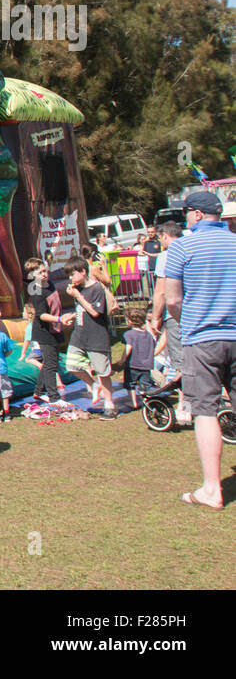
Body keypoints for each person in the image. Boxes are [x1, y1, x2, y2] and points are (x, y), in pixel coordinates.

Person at [164, 191, 236, 510]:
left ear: (194, 214)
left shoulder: (182, 246)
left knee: (204, 410)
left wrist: (188, 321)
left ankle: (211, 489)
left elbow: (172, 300)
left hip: (201, 338)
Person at [61, 256, 117, 420]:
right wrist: (71, 315)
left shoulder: (96, 289)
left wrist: (78, 297)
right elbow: (83, 310)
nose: (70, 279)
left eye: (73, 274)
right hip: (79, 335)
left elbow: (95, 312)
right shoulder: (78, 290)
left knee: (103, 372)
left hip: (96, 336)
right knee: (71, 365)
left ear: (83, 272)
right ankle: (94, 385)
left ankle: (109, 405)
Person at [148, 221, 189, 423]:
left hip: (176, 314)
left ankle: (185, 406)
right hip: (199, 313)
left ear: (164, 236)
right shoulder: (192, 246)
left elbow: (161, 291)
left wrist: (156, 317)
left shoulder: (167, 255)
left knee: (181, 363)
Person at [25, 258, 64, 403]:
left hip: (54, 329)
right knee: (51, 364)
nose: (44, 274)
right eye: (40, 272)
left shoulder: (50, 285)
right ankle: (54, 396)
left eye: (45, 271)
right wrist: (60, 319)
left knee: (49, 362)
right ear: (33, 275)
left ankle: (39, 391)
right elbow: (42, 315)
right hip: (44, 332)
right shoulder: (37, 292)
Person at [120, 308, 156, 411]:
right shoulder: (149, 335)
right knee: (145, 385)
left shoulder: (128, 334)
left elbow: (128, 348)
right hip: (146, 365)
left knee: (130, 384)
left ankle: (133, 402)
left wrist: (122, 360)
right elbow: (153, 347)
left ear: (130, 321)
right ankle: (148, 401)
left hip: (132, 365)